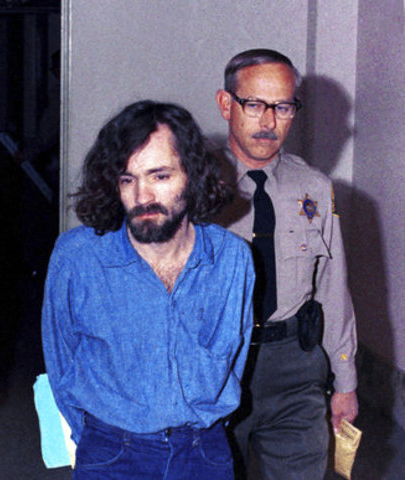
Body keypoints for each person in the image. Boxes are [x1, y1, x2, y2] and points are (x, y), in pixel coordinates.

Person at [42, 100, 255, 479]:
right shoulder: (78, 257)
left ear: (192, 176)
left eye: (159, 176)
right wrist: (96, 444)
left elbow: (234, 361)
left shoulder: (231, 259)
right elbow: (60, 361)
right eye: (128, 179)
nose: (142, 197)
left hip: (204, 453)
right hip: (110, 454)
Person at [214, 49, 358, 479]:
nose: (269, 121)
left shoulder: (313, 187)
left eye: (283, 107)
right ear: (226, 104)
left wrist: (345, 380)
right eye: (254, 104)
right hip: (218, 363)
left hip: (295, 364)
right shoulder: (195, 185)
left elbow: (332, 285)